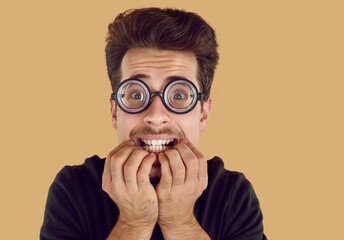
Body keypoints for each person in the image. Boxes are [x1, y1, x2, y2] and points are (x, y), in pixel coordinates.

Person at [40, 7, 267, 240]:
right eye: (136, 95)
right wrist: (133, 222)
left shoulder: (233, 195)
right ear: (115, 111)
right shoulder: (73, 190)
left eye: (179, 96)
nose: (156, 115)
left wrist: (180, 221)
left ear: (203, 114)